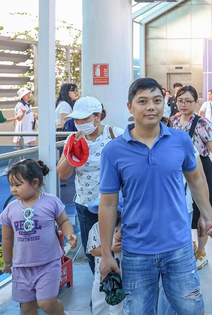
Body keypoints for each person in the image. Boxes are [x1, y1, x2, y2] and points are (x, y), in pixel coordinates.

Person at [98, 78, 212, 314]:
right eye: (143, 101)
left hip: (179, 246)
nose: (151, 107)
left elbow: (196, 179)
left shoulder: (180, 140)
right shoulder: (113, 151)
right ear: (130, 107)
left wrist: (208, 216)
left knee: (192, 309)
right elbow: (107, 204)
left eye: (157, 101)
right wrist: (106, 254)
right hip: (136, 250)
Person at [56, 96, 124, 274]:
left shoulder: (115, 134)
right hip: (86, 203)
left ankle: (123, 285)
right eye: (77, 119)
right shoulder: (72, 139)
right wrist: (73, 151)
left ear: (98, 116)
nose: (80, 123)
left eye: (84, 119)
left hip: (115, 203)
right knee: (93, 249)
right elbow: (63, 174)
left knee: (119, 244)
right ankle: (101, 288)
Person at [0, 159, 77, 315]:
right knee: (27, 307)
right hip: (22, 267)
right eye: (11, 185)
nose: (13, 190)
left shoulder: (51, 202)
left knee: (46, 303)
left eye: (18, 185)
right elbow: (7, 239)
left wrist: (69, 233)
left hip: (48, 263)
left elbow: (63, 220)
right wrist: (8, 262)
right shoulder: (11, 209)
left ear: (35, 183)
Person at [171, 85, 212, 269]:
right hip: (179, 171)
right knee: (183, 210)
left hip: (202, 170)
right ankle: (187, 247)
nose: (184, 104)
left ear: (196, 102)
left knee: (201, 213)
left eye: (188, 101)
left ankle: (202, 251)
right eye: (180, 101)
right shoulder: (173, 122)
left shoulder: (202, 123)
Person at [86, 196, 124, 315]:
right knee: (99, 304)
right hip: (101, 274)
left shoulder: (124, 228)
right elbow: (93, 250)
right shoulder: (96, 227)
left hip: (120, 275)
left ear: (118, 214)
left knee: (118, 306)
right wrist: (110, 249)